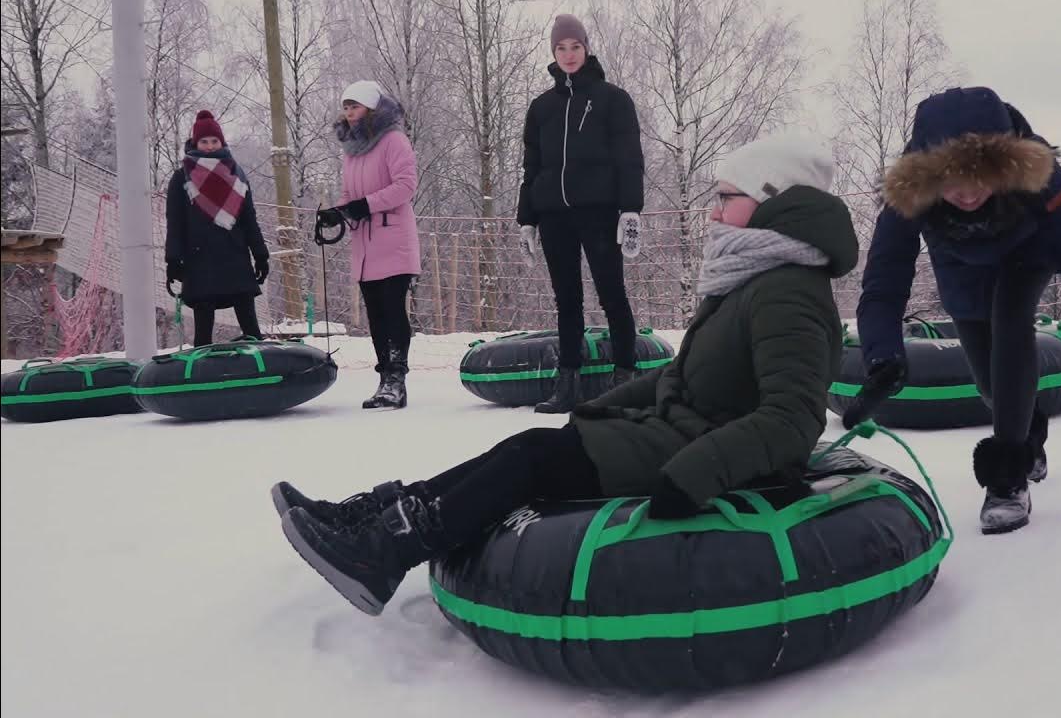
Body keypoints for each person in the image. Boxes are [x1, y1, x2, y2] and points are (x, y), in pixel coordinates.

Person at [272, 133, 859, 616]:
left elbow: (792, 418)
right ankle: (376, 514)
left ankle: (387, 549)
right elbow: (687, 375)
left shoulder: (789, 293)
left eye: (726, 197)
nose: (713, 211)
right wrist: (607, 404)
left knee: (529, 456)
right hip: (677, 429)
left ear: (772, 201)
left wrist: (694, 473)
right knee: (525, 448)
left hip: (701, 450)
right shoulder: (752, 279)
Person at [849, 86, 1061, 536]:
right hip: (960, 266)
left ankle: (1006, 479)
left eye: (981, 177)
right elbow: (885, 277)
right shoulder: (908, 193)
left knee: (1010, 320)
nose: (967, 194)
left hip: (1028, 252)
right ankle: (1029, 432)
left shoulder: (1040, 178)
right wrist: (883, 359)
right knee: (989, 382)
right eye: (952, 181)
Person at [515, 14, 646, 414]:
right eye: (561, 48)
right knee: (566, 299)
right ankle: (568, 382)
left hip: (600, 212)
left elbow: (629, 159)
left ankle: (625, 380)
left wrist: (630, 211)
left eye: (575, 46)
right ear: (553, 53)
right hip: (554, 214)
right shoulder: (542, 107)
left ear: (586, 48)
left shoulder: (613, 99)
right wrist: (527, 217)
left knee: (612, 294)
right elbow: (531, 165)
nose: (568, 54)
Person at [317, 80, 420, 410]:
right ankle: (384, 380)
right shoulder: (351, 150)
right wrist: (339, 212)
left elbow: (405, 186)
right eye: (346, 107)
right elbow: (350, 195)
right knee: (375, 314)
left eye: (355, 106)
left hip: (393, 238)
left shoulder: (393, 141)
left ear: (371, 109)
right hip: (365, 242)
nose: (349, 113)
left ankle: (397, 380)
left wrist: (366, 205)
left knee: (392, 309)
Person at [165, 110, 269, 346]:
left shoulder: (236, 174)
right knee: (203, 329)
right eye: (204, 141)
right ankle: (202, 373)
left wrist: (261, 254)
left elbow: (249, 218)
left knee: (250, 325)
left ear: (222, 142)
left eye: (214, 141)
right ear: (195, 143)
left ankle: (261, 369)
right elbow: (175, 222)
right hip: (199, 259)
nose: (210, 146)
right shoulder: (181, 178)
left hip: (235, 255)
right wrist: (173, 260)